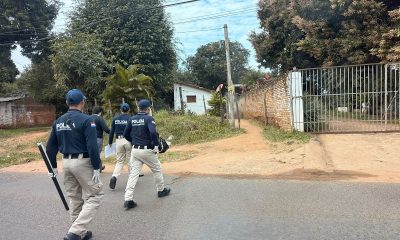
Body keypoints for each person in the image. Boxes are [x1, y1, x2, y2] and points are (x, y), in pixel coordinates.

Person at [46, 89, 103, 240]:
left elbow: (50, 147)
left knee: (74, 198)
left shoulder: (58, 121)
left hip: (66, 162)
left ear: (67, 103)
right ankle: (75, 232)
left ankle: (79, 233)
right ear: (83, 102)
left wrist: (53, 167)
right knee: (95, 195)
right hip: (82, 162)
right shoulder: (87, 120)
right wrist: (97, 167)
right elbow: (92, 147)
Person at [123, 99, 170, 210]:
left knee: (133, 174)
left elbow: (125, 134)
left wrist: (133, 141)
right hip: (147, 150)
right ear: (148, 109)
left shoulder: (132, 119)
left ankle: (128, 199)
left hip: (135, 150)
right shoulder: (149, 118)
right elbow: (153, 132)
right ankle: (161, 190)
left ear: (139, 108)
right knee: (157, 169)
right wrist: (155, 145)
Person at [108, 103, 132, 189]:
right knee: (130, 159)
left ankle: (114, 176)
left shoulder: (115, 119)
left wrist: (110, 142)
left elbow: (111, 131)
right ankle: (131, 178)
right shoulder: (130, 118)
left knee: (120, 161)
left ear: (121, 110)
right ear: (128, 110)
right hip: (128, 140)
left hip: (118, 141)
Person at [91, 106, 110, 172]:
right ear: (99, 112)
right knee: (97, 153)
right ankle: (97, 168)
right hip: (98, 138)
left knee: (91, 153)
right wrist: (112, 132)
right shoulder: (99, 118)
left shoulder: (89, 118)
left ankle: (98, 166)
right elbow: (106, 129)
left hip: (89, 138)